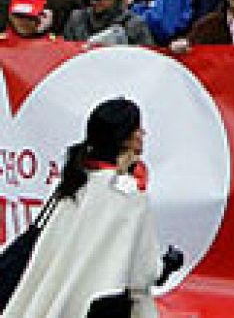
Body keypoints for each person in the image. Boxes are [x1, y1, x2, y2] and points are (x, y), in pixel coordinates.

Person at [3, 98, 176, 318]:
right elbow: (142, 273)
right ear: (126, 138)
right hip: (99, 307)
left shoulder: (73, 182)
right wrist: (167, 265)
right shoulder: (128, 194)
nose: (143, 134)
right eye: (138, 129)